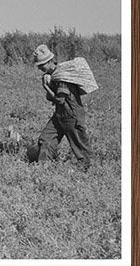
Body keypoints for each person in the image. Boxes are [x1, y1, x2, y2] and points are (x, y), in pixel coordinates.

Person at [33, 43, 94, 171]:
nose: (40, 68)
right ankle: (43, 169)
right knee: (46, 139)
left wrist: (46, 87)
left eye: (42, 65)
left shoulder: (63, 77)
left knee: (79, 145)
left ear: (50, 62)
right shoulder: (53, 77)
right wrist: (48, 85)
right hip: (60, 114)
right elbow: (50, 98)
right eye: (39, 66)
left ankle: (87, 170)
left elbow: (60, 99)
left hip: (72, 115)